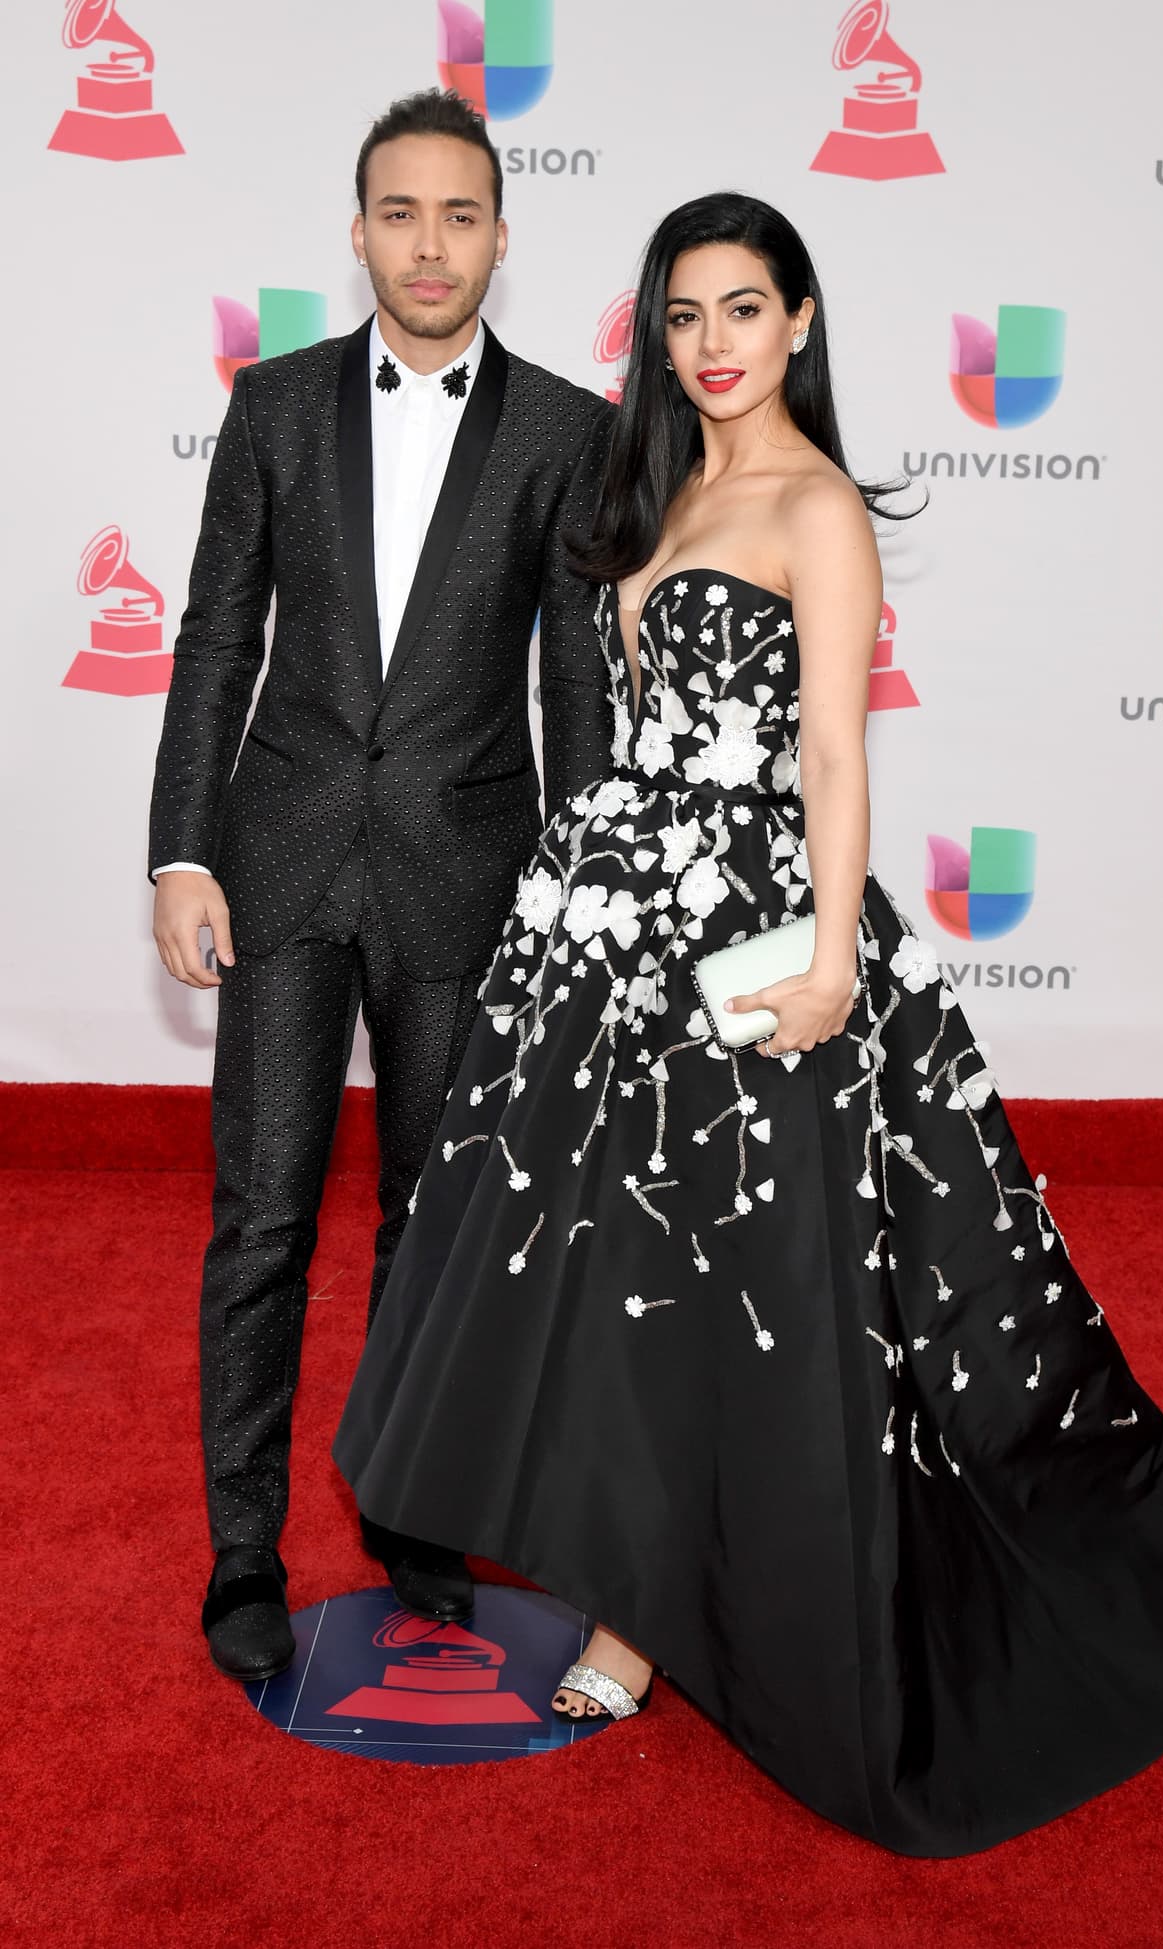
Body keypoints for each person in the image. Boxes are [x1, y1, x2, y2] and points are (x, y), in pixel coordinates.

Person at [332, 193, 1163, 1855]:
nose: (713, 344)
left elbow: (833, 755)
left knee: (731, 1285)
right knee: (611, 1273)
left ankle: (652, 1617)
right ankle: (634, 1579)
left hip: (755, 934)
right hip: (614, 919)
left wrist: (829, 957)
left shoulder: (819, 507)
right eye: (684, 316)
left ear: (801, 322)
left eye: (744, 310)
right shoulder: (667, 486)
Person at [148, 90, 613, 1684]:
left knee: (438, 1223)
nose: (429, 244)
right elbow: (217, 637)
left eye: (459, 215)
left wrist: (580, 892)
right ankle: (241, 1554)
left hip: (470, 878)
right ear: (357, 233)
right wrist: (183, 847)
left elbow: (578, 692)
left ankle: (416, 1516)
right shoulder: (273, 405)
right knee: (263, 1219)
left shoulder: (566, 431)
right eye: (399, 214)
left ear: (501, 235)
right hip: (279, 864)